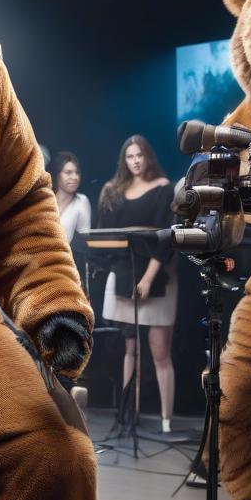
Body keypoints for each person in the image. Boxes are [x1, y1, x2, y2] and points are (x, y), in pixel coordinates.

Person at [97, 134, 176, 431]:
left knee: (159, 350)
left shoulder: (163, 189)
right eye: (130, 156)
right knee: (129, 348)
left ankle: (167, 420)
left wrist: (147, 278)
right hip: (124, 275)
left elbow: (166, 238)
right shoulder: (114, 191)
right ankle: (129, 412)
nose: (135, 161)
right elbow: (106, 237)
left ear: (148, 156)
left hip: (157, 276)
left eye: (140, 155)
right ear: (124, 160)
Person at [53, 151, 91, 244]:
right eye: (68, 172)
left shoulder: (81, 201)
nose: (74, 177)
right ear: (57, 175)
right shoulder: (44, 198)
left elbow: (85, 239)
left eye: (77, 173)